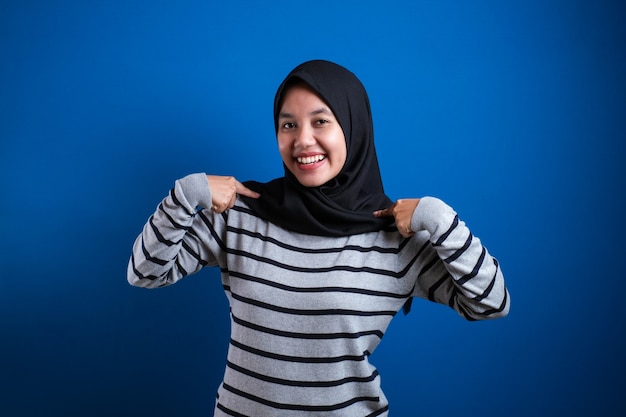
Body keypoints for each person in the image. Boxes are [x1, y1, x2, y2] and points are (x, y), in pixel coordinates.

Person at [127, 60, 510, 416]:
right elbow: (144, 272)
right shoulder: (241, 216)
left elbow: (491, 304)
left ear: (353, 126)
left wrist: (439, 218)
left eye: (321, 121)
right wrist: (186, 194)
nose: (302, 141)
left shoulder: (395, 237)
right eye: (288, 124)